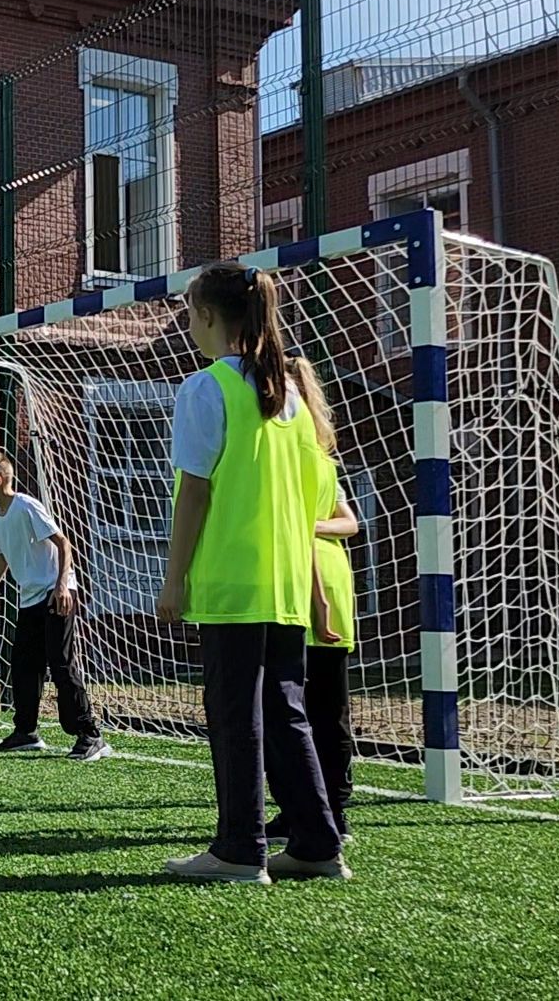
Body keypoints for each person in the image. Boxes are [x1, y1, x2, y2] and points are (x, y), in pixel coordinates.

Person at [157, 263, 347, 884]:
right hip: (286, 586)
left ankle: (241, 849)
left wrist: (175, 578)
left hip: (232, 584)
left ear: (207, 316)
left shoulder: (207, 387)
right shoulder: (290, 398)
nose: (187, 325)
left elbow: (196, 493)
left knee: (237, 717)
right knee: (285, 713)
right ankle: (318, 844)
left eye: (189, 313)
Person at [0, 450, 109, 761]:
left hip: (56, 594)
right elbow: (2, 558)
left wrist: (62, 585)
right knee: (23, 666)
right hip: (29, 598)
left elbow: (63, 543)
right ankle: (26, 732)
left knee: (61, 663)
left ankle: (90, 734)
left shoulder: (27, 507)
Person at [269, 356, 359, 844]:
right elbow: (345, 521)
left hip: (312, 585)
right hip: (311, 583)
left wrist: (305, 526)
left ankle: (330, 811)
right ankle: (309, 809)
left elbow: (350, 520)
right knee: (312, 709)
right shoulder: (319, 458)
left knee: (314, 709)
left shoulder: (307, 459)